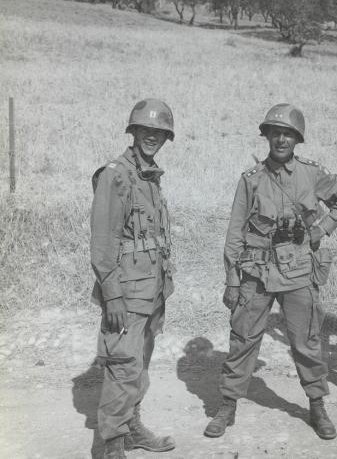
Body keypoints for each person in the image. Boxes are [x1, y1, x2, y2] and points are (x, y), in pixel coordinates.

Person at [204, 103, 337, 440]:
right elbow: (235, 231)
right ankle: (228, 405)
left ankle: (317, 405)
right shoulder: (251, 180)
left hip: (299, 270)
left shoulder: (311, 174)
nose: (281, 139)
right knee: (243, 338)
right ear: (267, 136)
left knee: (306, 341)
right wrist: (231, 279)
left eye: (288, 133)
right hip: (256, 272)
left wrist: (322, 229)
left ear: (297, 139)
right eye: (276, 132)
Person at [90, 99, 176, 459]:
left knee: (138, 363)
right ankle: (111, 445)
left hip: (151, 288)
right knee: (123, 366)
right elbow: (104, 240)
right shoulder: (117, 174)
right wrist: (112, 295)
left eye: (159, 132)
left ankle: (131, 428)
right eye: (146, 130)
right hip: (125, 291)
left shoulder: (149, 174)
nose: (152, 137)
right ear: (134, 132)